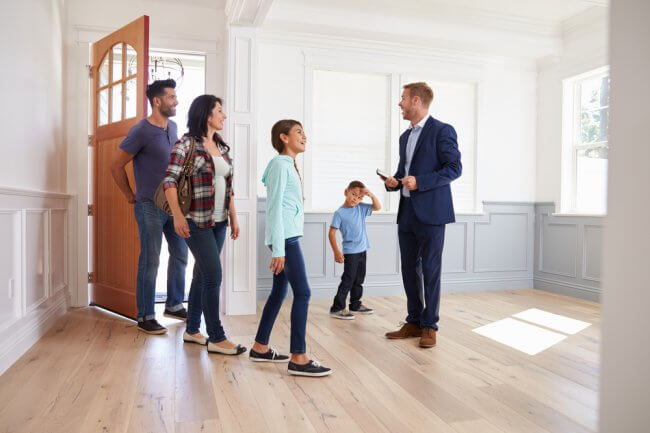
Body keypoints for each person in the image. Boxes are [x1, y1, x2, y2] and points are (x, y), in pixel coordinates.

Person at [162, 94, 245, 355]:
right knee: (213, 275)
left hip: (219, 221)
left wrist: (233, 216)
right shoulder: (186, 144)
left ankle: (192, 330)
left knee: (201, 275)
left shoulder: (221, 147)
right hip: (195, 221)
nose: (224, 115)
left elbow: (227, 186)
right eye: (220, 110)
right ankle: (217, 337)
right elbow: (169, 181)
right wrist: (176, 216)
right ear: (207, 114)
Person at [249, 119, 332, 377]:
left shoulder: (288, 165)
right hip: (286, 240)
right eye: (298, 132)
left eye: (304, 132)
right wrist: (278, 249)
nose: (304, 136)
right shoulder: (279, 165)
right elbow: (273, 208)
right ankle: (298, 356)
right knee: (303, 293)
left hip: (287, 237)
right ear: (284, 138)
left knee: (278, 292)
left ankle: (260, 346)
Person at [383, 82, 462, 348]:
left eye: (403, 98)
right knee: (408, 269)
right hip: (407, 213)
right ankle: (415, 320)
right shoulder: (405, 137)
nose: (400, 103)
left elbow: (454, 168)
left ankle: (430, 325)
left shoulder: (442, 131)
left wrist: (421, 182)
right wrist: (393, 181)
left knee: (430, 270)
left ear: (416, 101)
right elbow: (403, 170)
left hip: (432, 213)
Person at [111, 79, 188, 334]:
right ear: (157, 101)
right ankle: (145, 315)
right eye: (171, 97)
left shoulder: (174, 127)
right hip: (149, 206)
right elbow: (115, 165)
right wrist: (128, 194)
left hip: (173, 206)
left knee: (180, 254)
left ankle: (175, 304)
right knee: (151, 259)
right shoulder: (141, 131)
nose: (176, 101)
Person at [328, 180, 381, 320]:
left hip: (363, 249)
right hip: (350, 252)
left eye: (359, 197)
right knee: (348, 279)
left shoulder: (360, 208)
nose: (355, 199)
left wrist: (370, 194)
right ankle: (337, 308)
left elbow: (378, 207)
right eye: (353, 194)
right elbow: (331, 233)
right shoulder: (339, 213)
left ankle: (355, 304)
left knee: (359, 279)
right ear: (346, 192)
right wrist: (336, 252)